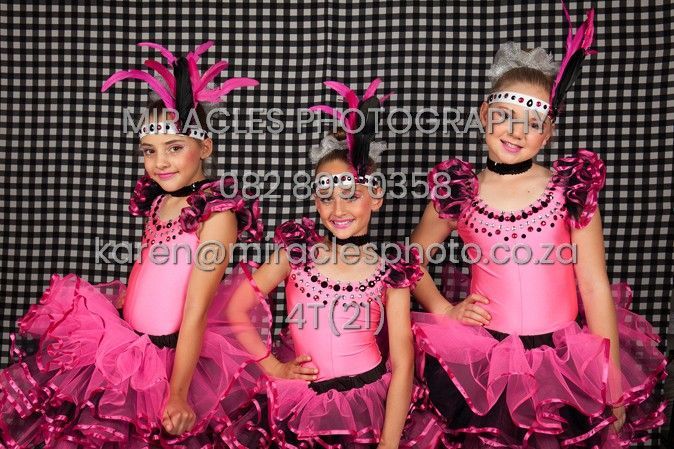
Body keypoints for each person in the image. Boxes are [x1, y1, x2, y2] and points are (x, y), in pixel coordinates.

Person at [410, 4, 667, 448]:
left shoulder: (569, 189)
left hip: (562, 359)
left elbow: (593, 285)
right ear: (484, 114)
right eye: (505, 116)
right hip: (488, 358)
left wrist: (611, 379)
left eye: (532, 123)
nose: (516, 132)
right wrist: (444, 309)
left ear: (547, 133)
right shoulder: (460, 191)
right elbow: (411, 260)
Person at [0, 40, 264, 448]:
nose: (160, 162)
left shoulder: (216, 216)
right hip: (127, 341)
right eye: (149, 151)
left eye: (174, 148)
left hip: (167, 358)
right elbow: (149, 268)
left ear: (205, 147)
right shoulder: (160, 201)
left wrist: (178, 393)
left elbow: (194, 310)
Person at [226, 79, 442, 449]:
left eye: (351, 196)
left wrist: (389, 443)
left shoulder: (391, 271)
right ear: (315, 200)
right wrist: (273, 366)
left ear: (375, 198)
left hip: (366, 404)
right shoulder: (296, 254)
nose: (338, 209)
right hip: (300, 402)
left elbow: (403, 363)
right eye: (326, 197)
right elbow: (236, 309)